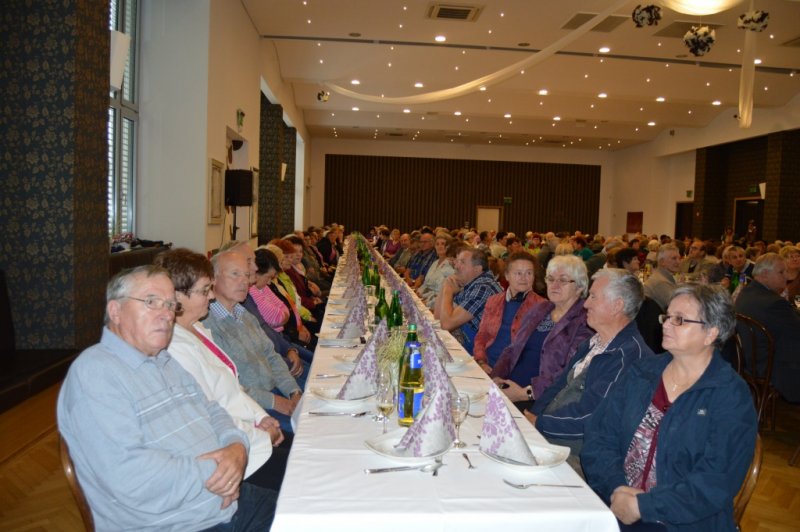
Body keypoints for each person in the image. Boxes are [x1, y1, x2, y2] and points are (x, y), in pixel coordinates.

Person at [57, 265, 276, 530]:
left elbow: (213, 410)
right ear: (115, 311)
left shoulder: (163, 359)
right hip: (182, 522)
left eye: (170, 305)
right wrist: (223, 471)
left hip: (226, 503)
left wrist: (237, 447)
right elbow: (132, 476)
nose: (166, 314)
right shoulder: (95, 374)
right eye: (151, 302)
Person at [582, 284, 758, 531]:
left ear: (711, 333)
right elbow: (599, 436)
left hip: (681, 522)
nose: (665, 325)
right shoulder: (642, 372)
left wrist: (644, 506)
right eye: (667, 316)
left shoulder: (729, 395)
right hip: (616, 502)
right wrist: (617, 488)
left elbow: (715, 481)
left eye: (680, 320)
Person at [156, 248, 291, 492]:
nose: (211, 296)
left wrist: (261, 417)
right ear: (177, 295)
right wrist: (261, 434)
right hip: (235, 450)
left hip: (251, 430)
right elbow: (212, 410)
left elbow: (232, 386)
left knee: (306, 452)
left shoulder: (198, 328)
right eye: (204, 290)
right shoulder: (174, 347)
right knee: (304, 472)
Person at [525, 269, 653, 464]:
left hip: (578, 455)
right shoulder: (595, 342)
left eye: (593, 297)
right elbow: (558, 385)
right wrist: (533, 417)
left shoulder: (627, 356)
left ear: (617, 306)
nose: (586, 304)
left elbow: (591, 417)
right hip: (551, 437)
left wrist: (538, 423)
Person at [203, 251, 303, 433]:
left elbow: (272, 356)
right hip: (252, 410)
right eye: (235, 274)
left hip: (276, 394)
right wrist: (275, 402)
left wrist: (293, 392)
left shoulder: (245, 315)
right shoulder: (207, 326)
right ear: (213, 278)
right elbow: (228, 387)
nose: (244, 281)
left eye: (246, 275)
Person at [482, 255, 593, 407]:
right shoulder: (540, 309)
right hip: (509, 387)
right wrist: (496, 377)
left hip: (540, 400)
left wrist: (525, 393)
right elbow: (512, 349)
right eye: (551, 279)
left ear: (580, 286)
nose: (554, 285)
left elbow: (570, 373)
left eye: (563, 280)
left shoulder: (585, 321)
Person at [734, 253, 800, 402]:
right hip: (773, 366)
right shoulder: (773, 303)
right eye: (781, 272)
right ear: (764, 274)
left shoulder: (747, 292)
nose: (786, 276)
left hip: (750, 361)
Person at [434, 247, 502, 354]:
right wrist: (446, 284)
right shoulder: (471, 284)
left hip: (483, 354)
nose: (456, 266)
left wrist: (448, 291)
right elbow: (438, 317)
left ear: (477, 269)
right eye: (457, 261)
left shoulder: (483, 288)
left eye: (462, 262)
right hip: (469, 343)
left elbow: (446, 324)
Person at [416, 235, 457, 308]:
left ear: (449, 247)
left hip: (437, 304)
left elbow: (442, 293)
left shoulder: (451, 265)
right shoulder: (435, 262)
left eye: (443, 244)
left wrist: (426, 301)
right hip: (425, 299)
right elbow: (426, 284)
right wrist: (418, 292)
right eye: (437, 244)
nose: (439, 246)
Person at [643, 243, 680, 311]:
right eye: (674, 258)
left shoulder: (660, 276)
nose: (678, 262)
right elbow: (678, 308)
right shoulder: (661, 282)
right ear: (662, 262)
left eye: (679, 258)